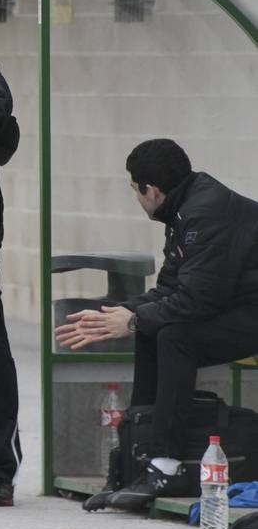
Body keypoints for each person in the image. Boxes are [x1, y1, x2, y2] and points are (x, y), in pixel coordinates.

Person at [59, 140, 258, 510]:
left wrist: (133, 321)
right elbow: (170, 289)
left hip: (249, 314)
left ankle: (164, 462)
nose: (137, 198)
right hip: (234, 308)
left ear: (150, 189)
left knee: (175, 336)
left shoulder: (204, 214)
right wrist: (117, 314)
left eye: (135, 190)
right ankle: (141, 459)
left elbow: (197, 300)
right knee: (157, 328)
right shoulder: (185, 208)